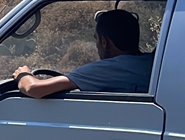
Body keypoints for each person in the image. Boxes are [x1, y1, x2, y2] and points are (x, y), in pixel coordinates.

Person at [12, 9, 155, 98]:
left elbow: (35, 89)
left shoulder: (107, 70)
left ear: (105, 42)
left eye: (97, 39)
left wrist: (23, 75)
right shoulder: (153, 63)